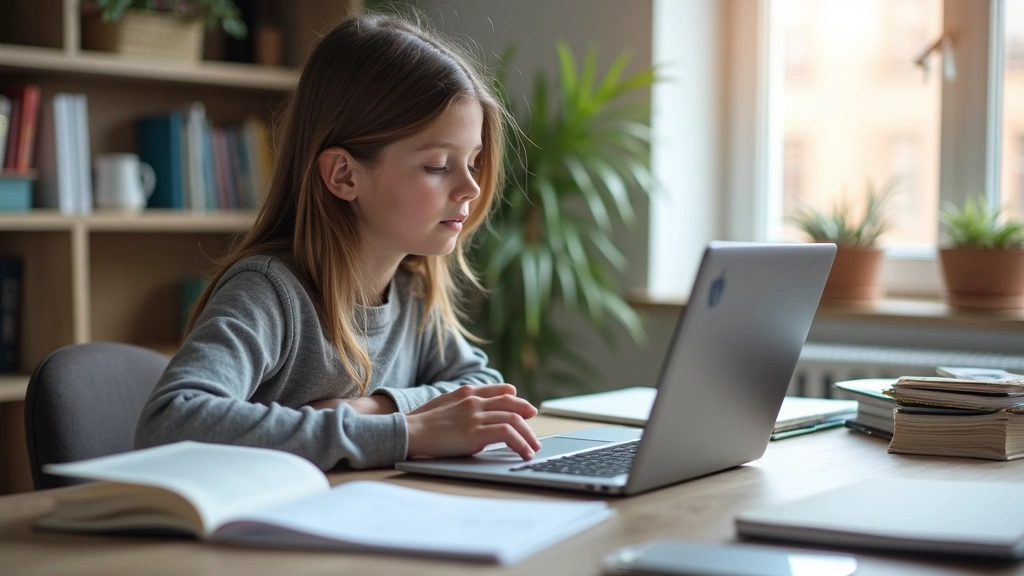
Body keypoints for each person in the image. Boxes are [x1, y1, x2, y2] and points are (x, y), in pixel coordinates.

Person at [134, 12, 542, 470]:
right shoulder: (268, 293)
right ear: (344, 175)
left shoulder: (412, 290)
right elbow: (170, 422)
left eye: (473, 161)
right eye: (438, 165)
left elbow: (484, 386)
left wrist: (376, 409)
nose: (470, 187)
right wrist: (407, 433)